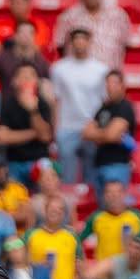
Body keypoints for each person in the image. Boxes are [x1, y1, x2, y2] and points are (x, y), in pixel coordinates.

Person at [51, 28, 108, 183]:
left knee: (92, 177)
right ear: (71, 43)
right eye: (76, 39)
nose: (80, 43)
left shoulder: (101, 69)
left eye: (83, 39)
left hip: (91, 129)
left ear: (89, 42)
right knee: (67, 178)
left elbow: (105, 102)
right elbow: (56, 100)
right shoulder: (59, 69)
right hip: (67, 127)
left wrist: (100, 129)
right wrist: (55, 130)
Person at [0, 62, 53, 182]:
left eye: (31, 76)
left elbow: (46, 136)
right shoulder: (8, 104)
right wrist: (35, 133)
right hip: (14, 161)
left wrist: (33, 110)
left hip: (39, 159)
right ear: (15, 81)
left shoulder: (42, 103)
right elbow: (2, 137)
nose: (27, 79)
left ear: (37, 81)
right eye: (23, 75)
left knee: (48, 174)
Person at [80, 69, 135, 195]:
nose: (110, 87)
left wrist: (100, 135)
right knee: (102, 210)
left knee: (114, 207)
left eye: (114, 83)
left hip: (117, 166)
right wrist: (106, 134)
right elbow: (85, 133)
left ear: (122, 85)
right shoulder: (103, 108)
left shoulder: (125, 107)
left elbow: (111, 135)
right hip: (99, 164)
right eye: (108, 84)